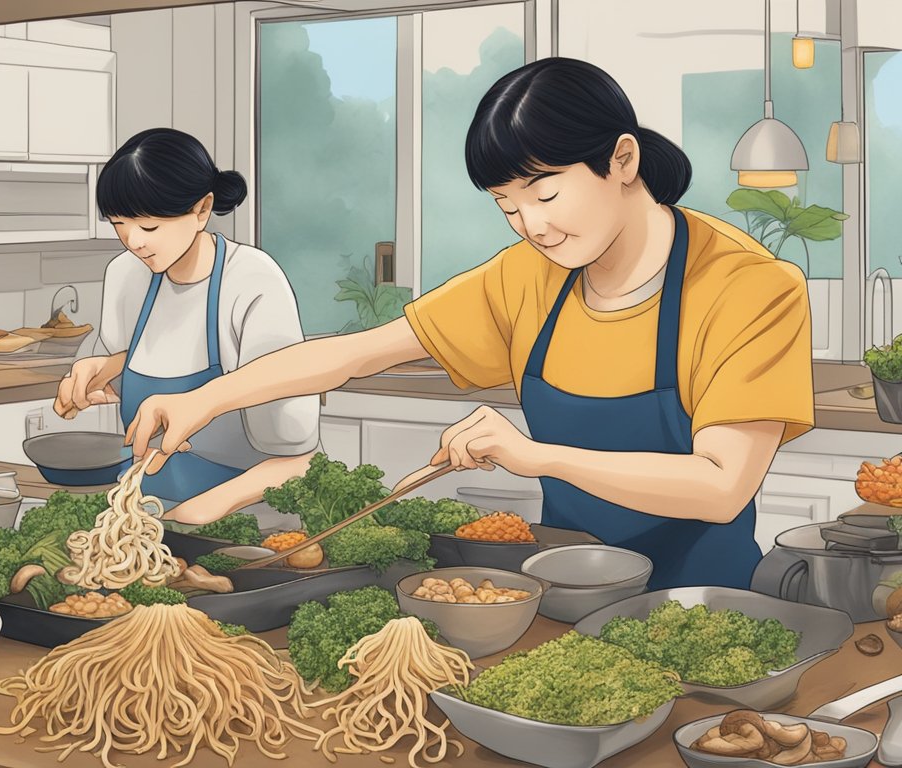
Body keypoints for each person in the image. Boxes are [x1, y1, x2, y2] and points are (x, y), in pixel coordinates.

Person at [124, 59, 815, 590]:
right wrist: (205, 398)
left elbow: (722, 486)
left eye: (545, 192)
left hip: (697, 602)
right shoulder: (528, 277)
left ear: (623, 160)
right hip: (565, 586)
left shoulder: (748, 287)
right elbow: (354, 355)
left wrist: (534, 456)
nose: (532, 225)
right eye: (507, 205)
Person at [54, 128, 320, 528]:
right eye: (120, 225)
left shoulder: (250, 281)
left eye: (149, 227)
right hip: (144, 521)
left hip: (251, 526)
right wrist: (103, 370)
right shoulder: (127, 276)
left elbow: (298, 458)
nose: (134, 243)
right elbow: (133, 380)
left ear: (202, 209)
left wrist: (201, 512)